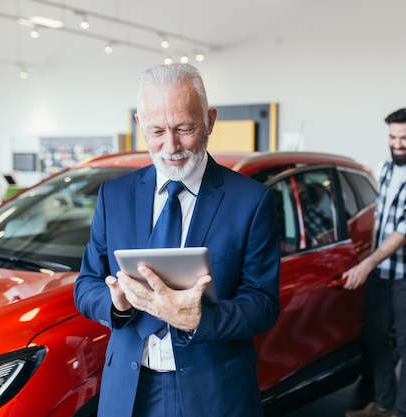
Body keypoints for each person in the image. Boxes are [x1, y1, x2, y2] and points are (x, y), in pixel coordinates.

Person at [73, 63, 280, 417]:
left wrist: (197, 318)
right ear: (140, 125)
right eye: (156, 130)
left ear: (209, 120)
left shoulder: (252, 200)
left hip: (214, 391)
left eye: (185, 128)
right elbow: (85, 285)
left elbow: (262, 304)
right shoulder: (114, 196)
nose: (171, 146)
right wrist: (116, 303)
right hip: (128, 390)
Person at [343, 107, 406, 417]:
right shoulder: (386, 168)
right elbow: (381, 221)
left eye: (404, 138)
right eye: (393, 137)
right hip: (383, 270)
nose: (397, 144)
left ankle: (403, 412)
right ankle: (383, 404)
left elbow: (402, 232)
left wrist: (366, 264)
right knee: (374, 335)